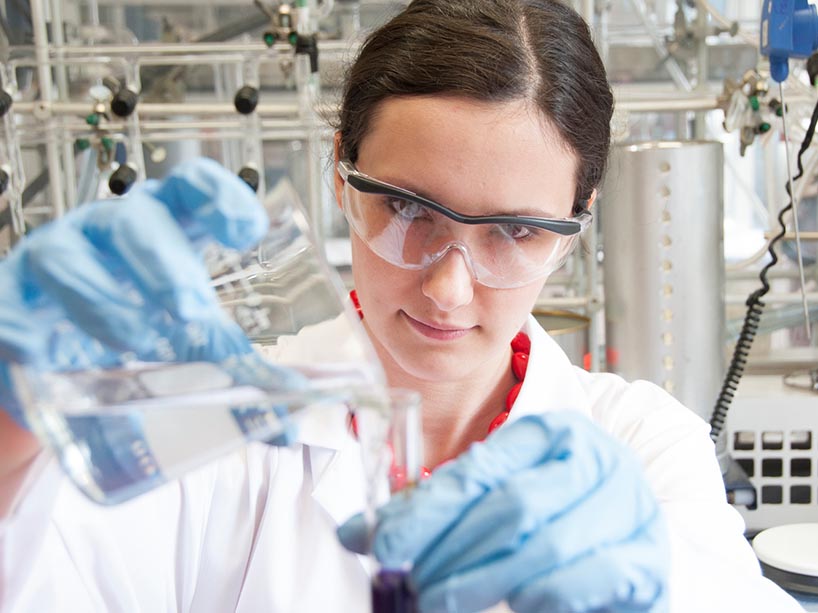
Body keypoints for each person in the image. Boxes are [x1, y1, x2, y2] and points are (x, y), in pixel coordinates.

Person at [0, 0, 805, 611]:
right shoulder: (221, 429)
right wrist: (12, 432)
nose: (448, 288)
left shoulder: (640, 441)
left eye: (516, 230)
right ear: (342, 177)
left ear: (575, 225)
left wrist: (661, 584)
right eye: (410, 209)